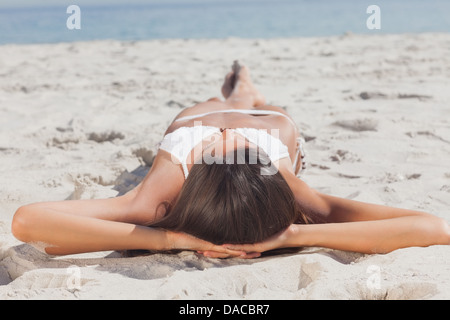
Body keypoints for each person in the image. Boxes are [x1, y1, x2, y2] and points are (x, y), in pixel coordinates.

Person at [11, 62, 450, 258]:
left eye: (223, 143)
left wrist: (169, 239)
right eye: (236, 142)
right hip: (267, 121)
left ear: (197, 167)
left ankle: (240, 87)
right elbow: (432, 228)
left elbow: (29, 221)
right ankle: (244, 87)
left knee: (222, 101)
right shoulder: (292, 192)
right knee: (244, 101)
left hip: (193, 120)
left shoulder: (152, 203)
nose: (228, 132)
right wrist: (292, 234)